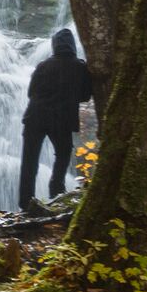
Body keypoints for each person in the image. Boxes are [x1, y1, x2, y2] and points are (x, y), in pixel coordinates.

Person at [18, 27, 94, 211]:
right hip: (62, 120)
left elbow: (31, 92)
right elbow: (85, 96)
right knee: (63, 155)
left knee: (30, 160)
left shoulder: (43, 65)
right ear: (72, 46)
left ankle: (26, 202)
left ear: (54, 45)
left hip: (35, 117)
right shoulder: (81, 68)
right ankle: (56, 192)